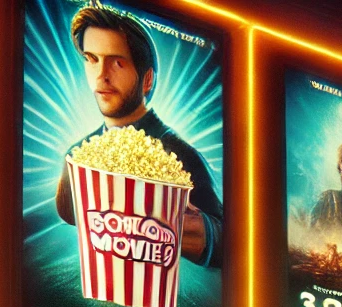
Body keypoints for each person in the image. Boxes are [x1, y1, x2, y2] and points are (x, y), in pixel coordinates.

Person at [54, 4, 222, 267]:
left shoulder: (181, 157)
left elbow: (228, 244)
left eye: (117, 63)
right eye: (92, 59)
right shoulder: (75, 157)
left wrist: (194, 230)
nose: (101, 76)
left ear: (147, 79)